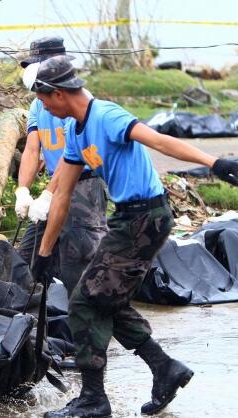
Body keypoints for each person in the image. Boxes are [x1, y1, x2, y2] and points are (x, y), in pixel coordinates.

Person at [28, 55, 238, 417]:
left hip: (147, 217)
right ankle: (164, 367)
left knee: (84, 301)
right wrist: (44, 254)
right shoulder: (75, 134)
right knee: (103, 298)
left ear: (59, 93)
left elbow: (157, 140)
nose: (42, 106)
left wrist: (213, 163)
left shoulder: (106, 116)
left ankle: (95, 399)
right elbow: (62, 194)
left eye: (44, 99)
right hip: (128, 218)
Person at [15, 36, 107, 294]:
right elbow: (33, 148)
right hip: (55, 186)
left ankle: (88, 322)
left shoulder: (77, 102)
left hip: (84, 185)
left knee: (79, 258)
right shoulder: (38, 103)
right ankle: (38, 319)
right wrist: (23, 190)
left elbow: (74, 157)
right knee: (28, 256)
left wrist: (47, 195)